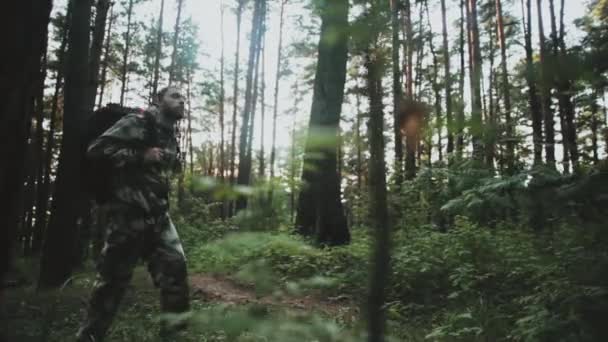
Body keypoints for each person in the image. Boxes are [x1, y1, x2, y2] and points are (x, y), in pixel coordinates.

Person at [77, 86, 190, 342]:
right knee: (111, 286)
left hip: (159, 218)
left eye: (184, 98)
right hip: (128, 217)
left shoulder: (169, 133)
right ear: (158, 100)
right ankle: (89, 337)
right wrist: (140, 155)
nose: (181, 101)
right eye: (175, 96)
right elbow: (96, 149)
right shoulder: (137, 121)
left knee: (176, 273)